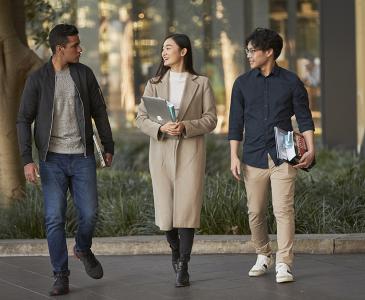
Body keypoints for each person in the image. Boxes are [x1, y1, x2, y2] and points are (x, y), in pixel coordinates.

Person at [17, 24, 114, 296]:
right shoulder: (38, 80)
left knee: (90, 214)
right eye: (75, 46)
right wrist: (27, 159)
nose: (80, 49)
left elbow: (100, 112)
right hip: (52, 160)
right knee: (53, 218)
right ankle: (61, 274)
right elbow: (24, 119)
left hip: (82, 157)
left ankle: (82, 248)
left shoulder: (84, 74)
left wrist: (108, 145)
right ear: (60, 49)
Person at [228, 28, 315, 283]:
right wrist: (234, 155)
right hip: (253, 155)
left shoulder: (291, 81)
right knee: (255, 212)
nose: (249, 55)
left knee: (283, 210)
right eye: (248, 50)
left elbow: (304, 118)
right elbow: (235, 123)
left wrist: (311, 149)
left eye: (253, 50)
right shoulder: (242, 83)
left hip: (284, 155)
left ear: (269, 52)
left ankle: (284, 263)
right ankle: (263, 254)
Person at [136, 33, 217, 287]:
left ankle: (183, 264)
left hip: (190, 152)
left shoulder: (201, 82)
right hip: (161, 153)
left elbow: (211, 119)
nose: (163, 52)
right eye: (162, 48)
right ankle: (173, 247)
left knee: (187, 209)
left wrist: (185, 126)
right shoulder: (154, 83)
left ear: (183, 51)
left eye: (168, 47)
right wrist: (160, 129)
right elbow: (140, 118)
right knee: (166, 211)